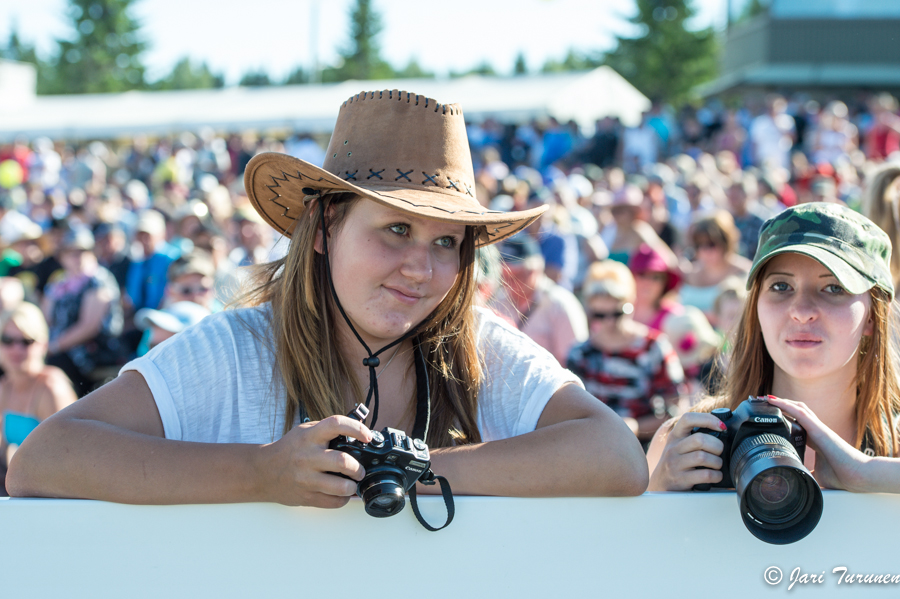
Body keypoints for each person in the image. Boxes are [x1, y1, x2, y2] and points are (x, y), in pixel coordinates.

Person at [8, 90, 648, 506]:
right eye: (395, 229)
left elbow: (618, 457)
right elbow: (43, 461)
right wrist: (261, 474)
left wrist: (414, 467)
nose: (420, 269)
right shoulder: (237, 348)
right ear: (324, 229)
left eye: (448, 242)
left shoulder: (477, 349)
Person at [647, 203, 900, 494]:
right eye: (781, 286)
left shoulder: (896, 441)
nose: (802, 311)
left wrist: (864, 473)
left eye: (834, 288)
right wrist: (659, 491)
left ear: (873, 314)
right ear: (755, 306)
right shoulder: (690, 442)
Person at [567, 260, 685, 444]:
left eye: (617, 313)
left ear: (631, 302)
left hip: (645, 446)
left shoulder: (653, 347)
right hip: (595, 447)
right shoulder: (580, 354)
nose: (609, 322)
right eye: (600, 315)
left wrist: (636, 427)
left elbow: (676, 407)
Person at [0, 302, 76, 495]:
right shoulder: (5, 387)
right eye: (7, 340)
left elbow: (69, 458)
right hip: (24, 490)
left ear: (42, 344)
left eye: (26, 341)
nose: (16, 349)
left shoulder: (51, 388)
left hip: (55, 495)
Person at [42, 227, 124, 397]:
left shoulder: (98, 280)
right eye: (71, 252)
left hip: (92, 353)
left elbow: (89, 327)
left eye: (82, 251)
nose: (77, 257)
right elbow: (45, 319)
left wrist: (53, 347)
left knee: (51, 366)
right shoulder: (58, 283)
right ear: (62, 257)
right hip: (62, 350)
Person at [492, 235, 588, 365]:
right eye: (505, 276)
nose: (510, 283)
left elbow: (574, 360)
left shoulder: (560, 304)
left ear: (535, 270)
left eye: (518, 275)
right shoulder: (499, 301)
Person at [678, 210, 752, 318]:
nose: (705, 251)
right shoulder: (689, 274)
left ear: (726, 242)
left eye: (711, 244)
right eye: (699, 245)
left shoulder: (745, 272)